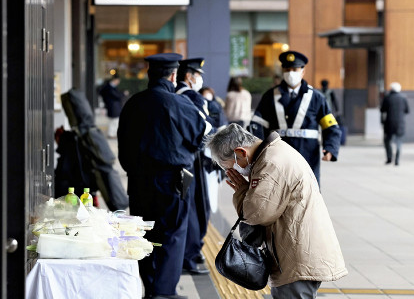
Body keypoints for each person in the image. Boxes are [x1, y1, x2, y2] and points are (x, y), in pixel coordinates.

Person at [205, 123, 348, 298]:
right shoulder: (272, 155)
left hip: (297, 258)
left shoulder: (271, 163)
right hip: (295, 254)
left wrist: (242, 190)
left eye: (230, 168)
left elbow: (255, 214)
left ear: (241, 152)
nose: (234, 173)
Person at [117, 53, 212, 299]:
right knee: (172, 235)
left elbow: (123, 147)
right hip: (174, 181)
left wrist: (134, 171)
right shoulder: (180, 104)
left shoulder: (133, 103)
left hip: (138, 181)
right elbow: (202, 136)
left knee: (144, 233)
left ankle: (150, 288)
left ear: (149, 74)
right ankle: (164, 292)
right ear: (173, 75)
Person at [248, 51, 342, 184]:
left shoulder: (316, 97)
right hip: (278, 156)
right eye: (287, 69)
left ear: (303, 72)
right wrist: (256, 152)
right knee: (278, 195)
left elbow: (331, 126)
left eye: (295, 69)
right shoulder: (269, 96)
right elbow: (256, 125)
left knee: (308, 194)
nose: (290, 73)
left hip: (307, 155)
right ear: (282, 71)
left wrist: (330, 148)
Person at [176, 58, 213, 275]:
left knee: (187, 206)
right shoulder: (190, 96)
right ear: (189, 76)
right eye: (198, 75)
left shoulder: (173, 94)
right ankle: (190, 255)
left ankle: (189, 254)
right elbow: (205, 127)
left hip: (180, 159)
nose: (199, 79)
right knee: (197, 207)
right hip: (192, 158)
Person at [380, 82, 409, 166]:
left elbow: (382, 110)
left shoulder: (387, 98)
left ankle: (389, 158)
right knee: (399, 141)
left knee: (387, 141)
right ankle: (397, 159)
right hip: (400, 123)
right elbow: (407, 110)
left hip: (389, 123)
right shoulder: (403, 98)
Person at [99, 73, 127, 138]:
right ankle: (111, 134)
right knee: (114, 120)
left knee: (115, 120)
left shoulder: (111, 87)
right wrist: (123, 94)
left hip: (114, 106)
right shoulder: (109, 88)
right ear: (115, 80)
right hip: (112, 106)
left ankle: (112, 133)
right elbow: (116, 96)